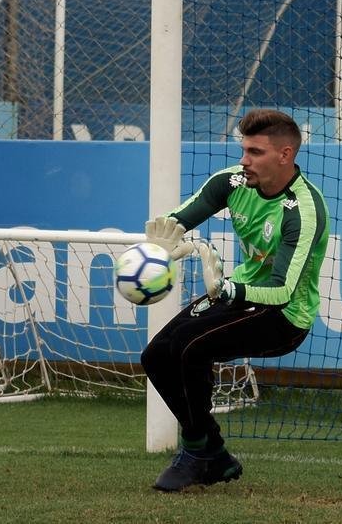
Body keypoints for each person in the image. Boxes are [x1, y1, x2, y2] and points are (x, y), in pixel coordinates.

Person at [140, 108, 330, 492]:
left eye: (255, 152)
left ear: (285, 154)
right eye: (244, 150)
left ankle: (197, 453)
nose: (245, 160)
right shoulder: (231, 182)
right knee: (156, 356)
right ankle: (216, 455)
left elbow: (282, 292)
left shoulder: (304, 211)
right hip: (239, 294)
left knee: (190, 347)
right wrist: (161, 243)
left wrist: (226, 290)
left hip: (284, 317)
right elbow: (181, 217)